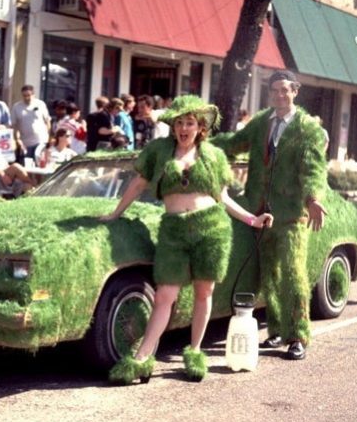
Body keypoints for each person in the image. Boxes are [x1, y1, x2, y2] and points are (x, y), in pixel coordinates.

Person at [100, 95, 273, 385]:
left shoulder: (213, 156)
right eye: (179, 122)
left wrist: (252, 220)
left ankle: (194, 352)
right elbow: (139, 183)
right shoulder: (159, 151)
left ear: (200, 127)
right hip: (174, 232)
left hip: (211, 230)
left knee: (204, 293)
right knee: (165, 295)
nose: (183, 128)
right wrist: (116, 213)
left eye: (189, 123)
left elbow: (224, 197)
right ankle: (143, 358)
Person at [211, 70, 328, 361]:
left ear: (295, 91)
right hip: (260, 212)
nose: (279, 95)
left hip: (291, 216)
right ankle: (276, 330)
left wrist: (313, 198)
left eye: (284, 90)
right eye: (274, 90)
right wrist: (197, 144)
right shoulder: (262, 121)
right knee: (269, 275)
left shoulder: (307, 129)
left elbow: (313, 169)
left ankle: (298, 336)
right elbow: (234, 142)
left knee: (292, 274)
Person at [11, 84, 51, 162]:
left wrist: (47, 138)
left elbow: (47, 122)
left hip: (40, 142)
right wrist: (18, 140)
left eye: (29, 95)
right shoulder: (16, 107)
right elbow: (15, 126)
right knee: (26, 167)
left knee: (40, 165)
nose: (27, 98)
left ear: (33, 94)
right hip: (25, 144)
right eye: (24, 95)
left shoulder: (41, 104)